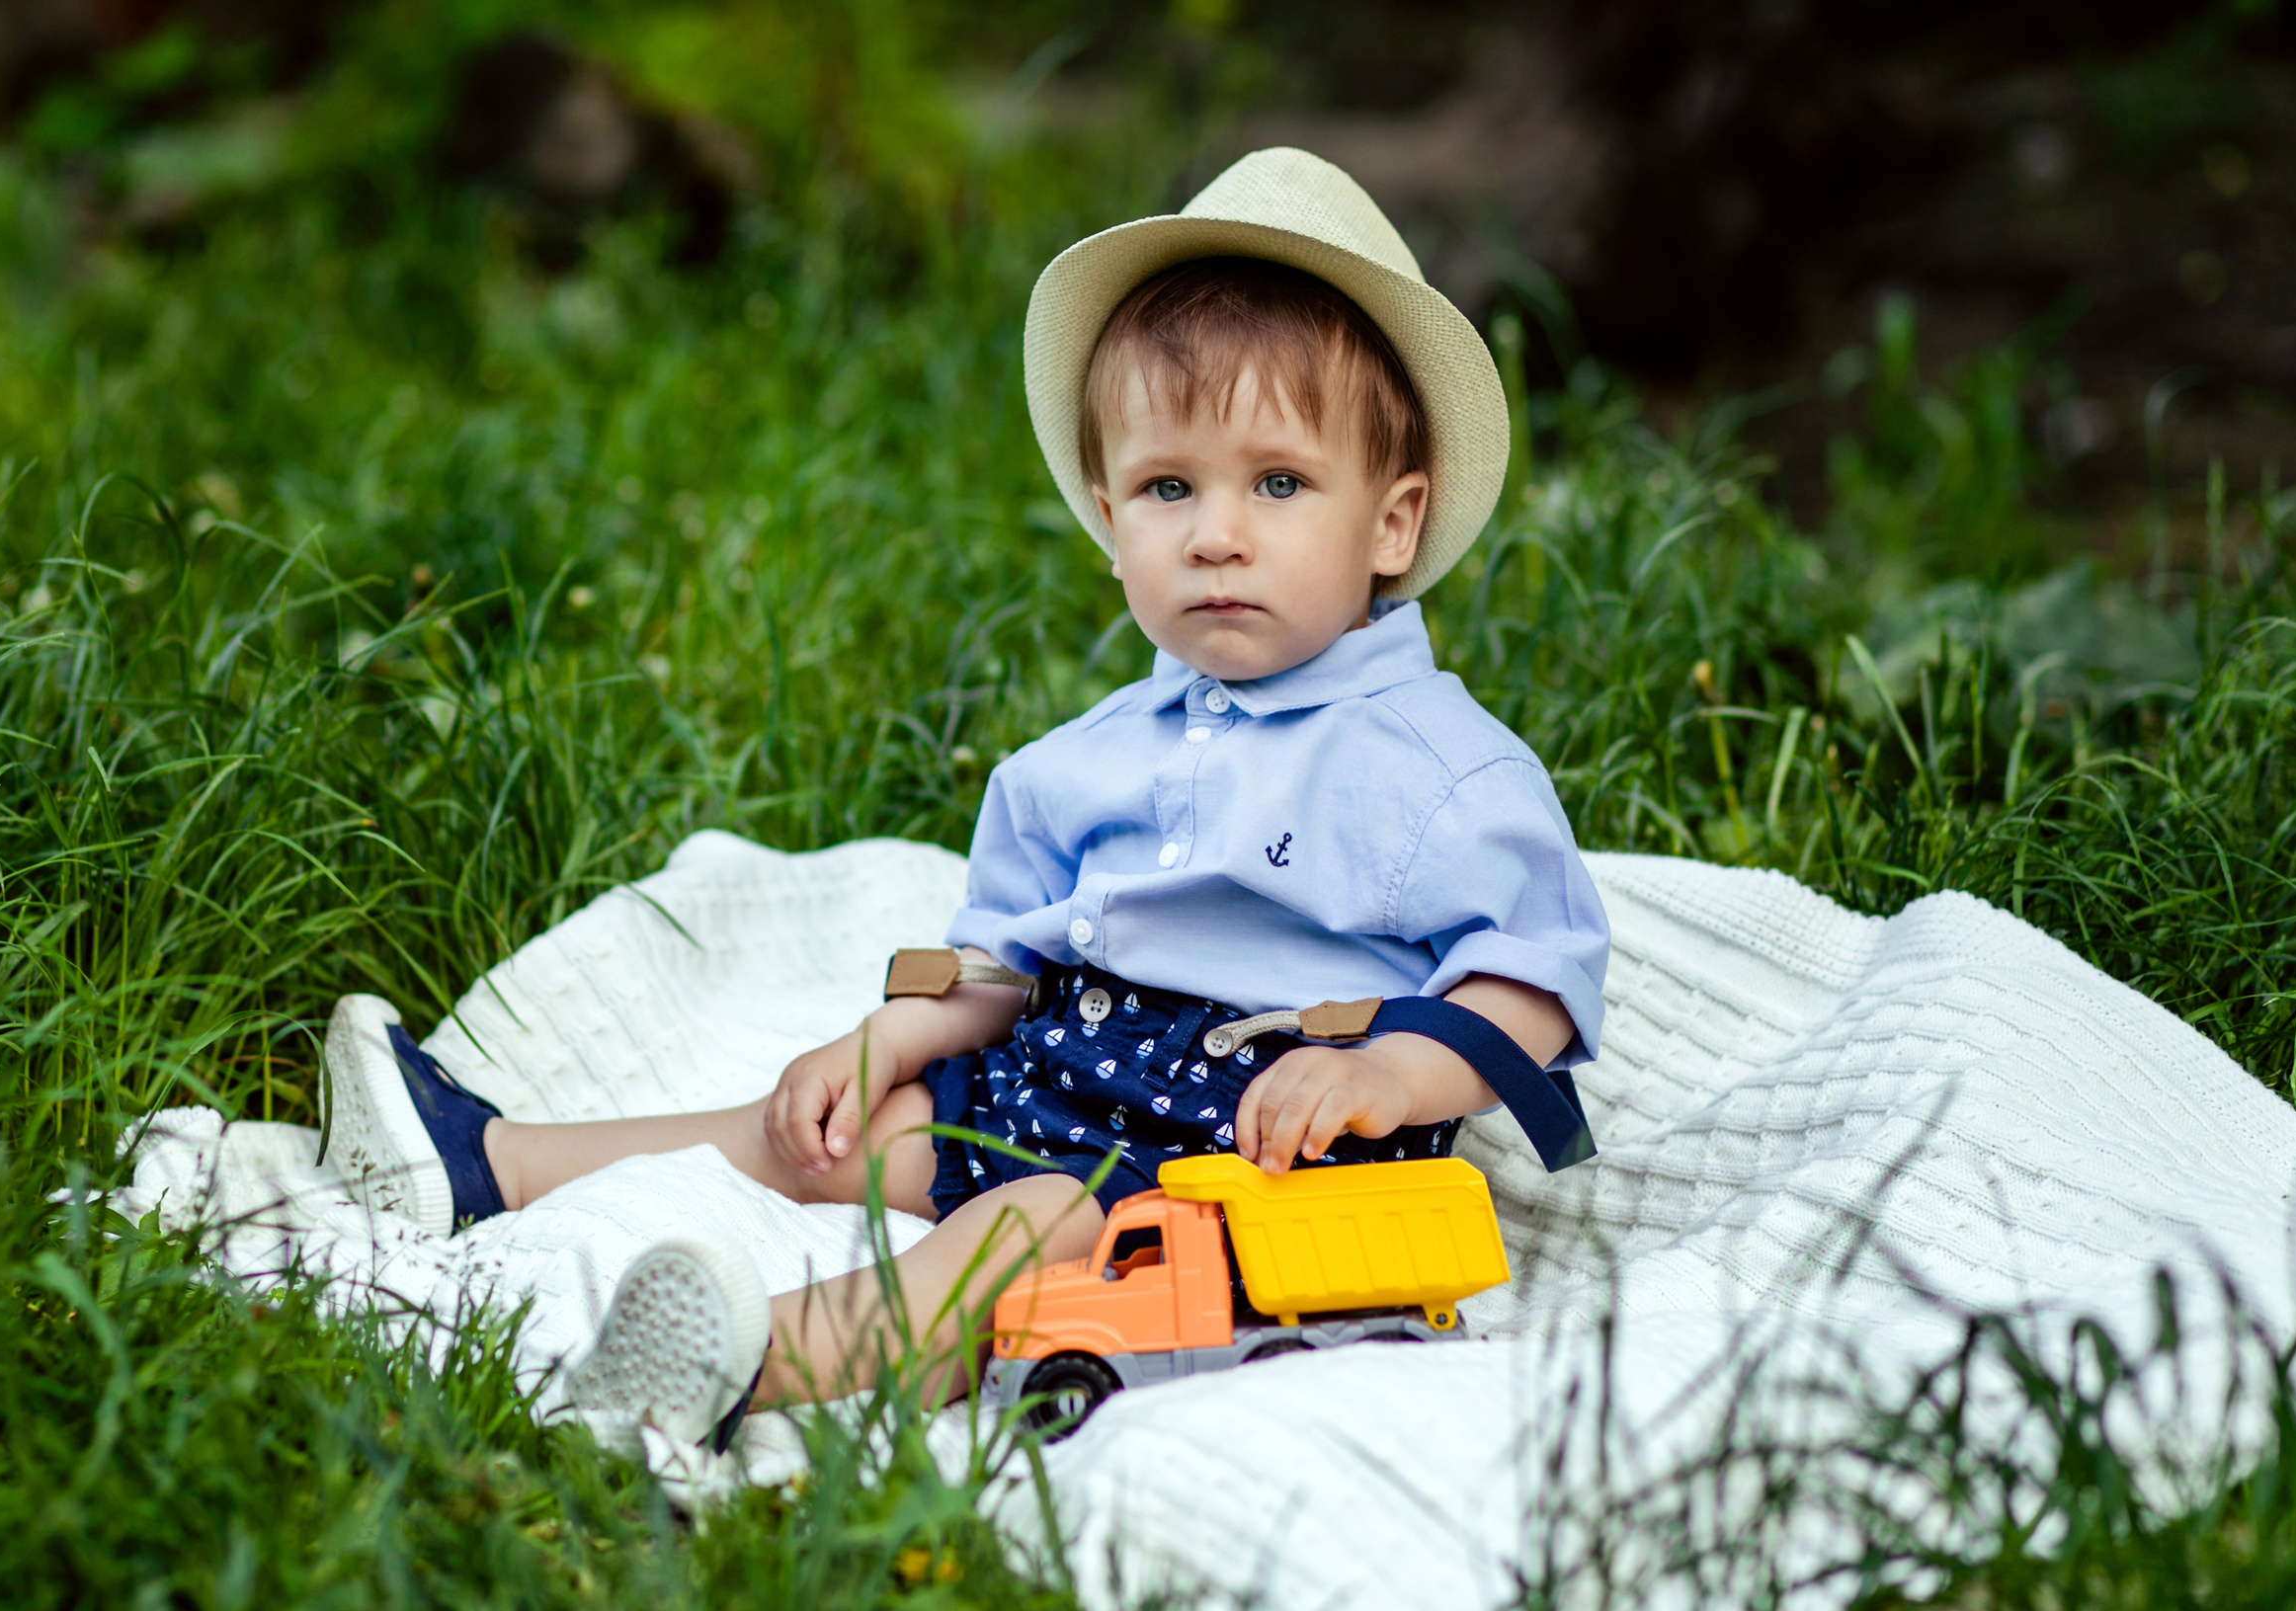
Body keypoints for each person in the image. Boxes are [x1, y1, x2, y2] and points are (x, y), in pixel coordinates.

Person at [321, 148, 1610, 1456]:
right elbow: (1005, 958)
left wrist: (1390, 1070)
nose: (1215, 532)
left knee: (1014, 1235)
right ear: (1111, 523)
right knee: (834, 1132)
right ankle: (494, 1163)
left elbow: (1536, 979)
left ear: (1392, 525)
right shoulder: (1084, 762)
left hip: (1258, 1162)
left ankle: (739, 1359)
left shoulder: (1435, 768)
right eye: (1169, 488)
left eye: (1277, 483)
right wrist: (891, 1036)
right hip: (1060, 1086)